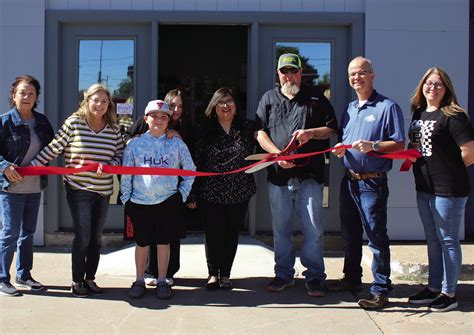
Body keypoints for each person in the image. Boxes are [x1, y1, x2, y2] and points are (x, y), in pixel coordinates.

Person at [255, 53, 338, 297]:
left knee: (313, 229)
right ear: (278, 74)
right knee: (280, 229)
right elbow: (259, 132)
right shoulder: (268, 98)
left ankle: (314, 276)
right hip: (279, 176)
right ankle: (283, 273)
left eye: (293, 71)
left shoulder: (316, 98)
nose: (289, 75)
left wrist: (311, 133)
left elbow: (331, 129)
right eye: (284, 71)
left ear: (301, 73)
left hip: (310, 176)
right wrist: (277, 154)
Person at [31, 83, 124, 297]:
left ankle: (90, 278)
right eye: (96, 100)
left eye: (104, 101)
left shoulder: (113, 127)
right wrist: (33, 166)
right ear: (87, 100)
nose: (100, 105)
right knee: (83, 236)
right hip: (78, 187)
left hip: (103, 190)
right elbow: (55, 148)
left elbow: (121, 154)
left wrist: (110, 164)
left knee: (96, 238)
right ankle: (76, 280)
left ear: (108, 103)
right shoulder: (74, 123)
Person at [332, 56, 405, 309]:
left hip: (372, 184)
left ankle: (381, 289)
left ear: (372, 75)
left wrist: (373, 146)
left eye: (362, 72)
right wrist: (342, 150)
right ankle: (351, 279)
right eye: (352, 74)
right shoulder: (351, 109)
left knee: (375, 235)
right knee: (350, 234)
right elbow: (347, 139)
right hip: (349, 181)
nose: (357, 78)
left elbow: (399, 143)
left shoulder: (388, 107)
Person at [406, 67, 474, 312]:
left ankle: (449, 293)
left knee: (448, 240)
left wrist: (449, 171)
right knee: (433, 240)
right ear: (422, 86)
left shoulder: (453, 115)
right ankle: (434, 288)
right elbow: (414, 146)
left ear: (446, 89)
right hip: (424, 188)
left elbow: (469, 151)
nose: (432, 88)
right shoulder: (418, 113)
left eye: (438, 84)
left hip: (449, 191)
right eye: (428, 83)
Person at [121, 100, 195, 300]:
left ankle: (162, 280)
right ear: (146, 119)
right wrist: (126, 198)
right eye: (154, 116)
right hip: (139, 202)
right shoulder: (134, 144)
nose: (159, 120)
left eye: (164, 117)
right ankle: (139, 279)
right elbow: (127, 173)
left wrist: (182, 195)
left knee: (164, 243)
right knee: (142, 243)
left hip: (168, 201)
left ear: (169, 121)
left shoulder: (176, 143)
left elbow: (190, 171)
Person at [188, 87, 256, 290]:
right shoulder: (204, 130)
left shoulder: (247, 127)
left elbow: (260, 149)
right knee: (213, 234)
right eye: (220, 102)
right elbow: (196, 162)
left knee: (231, 234)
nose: (225, 106)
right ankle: (212, 274)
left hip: (239, 190)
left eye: (229, 102)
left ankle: (226, 274)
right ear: (214, 106)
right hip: (211, 192)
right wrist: (191, 193)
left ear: (236, 105)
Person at [0, 75, 54, 296]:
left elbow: (55, 146)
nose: (27, 97)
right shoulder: (4, 121)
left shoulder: (42, 122)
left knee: (28, 233)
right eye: (22, 92)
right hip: (11, 188)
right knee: (10, 233)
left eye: (31, 94)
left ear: (36, 98)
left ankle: (25, 274)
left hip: (34, 186)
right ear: (14, 95)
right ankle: (3, 278)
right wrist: (4, 166)